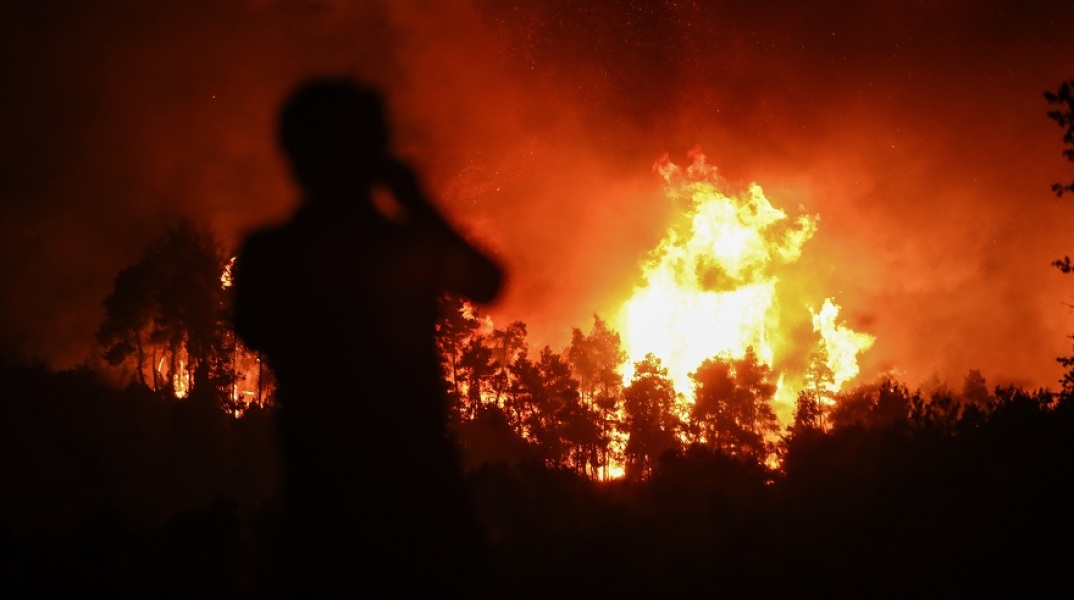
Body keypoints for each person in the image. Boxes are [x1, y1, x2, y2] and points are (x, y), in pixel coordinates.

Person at [231, 77, 504, 597]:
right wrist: (418, 204)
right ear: (377, 156)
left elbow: (254, 328)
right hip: (422, 496)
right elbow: (486, 282)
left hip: (322, 501)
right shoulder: (402, 246)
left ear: (293, 158)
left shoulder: (272, 253)